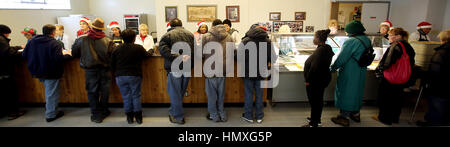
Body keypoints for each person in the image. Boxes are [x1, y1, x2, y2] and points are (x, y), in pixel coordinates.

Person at [22, 24, 71, 122]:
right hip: (50, 71)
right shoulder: (55, 43)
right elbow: (58, 58)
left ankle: (50, 107)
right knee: (51, 93)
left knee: (49, 91)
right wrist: (68, 56)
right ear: (53, 32)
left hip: (36, 70)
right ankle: (51, 114)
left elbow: (24, 55)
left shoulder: (32, 41)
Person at [72, 18, 115, 123]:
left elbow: (74, 53)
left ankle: (96, 115)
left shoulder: (81, 39)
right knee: (105, 91)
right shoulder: (108, 40)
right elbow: (113, 55)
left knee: (92, 92)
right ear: (101, 29)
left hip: (90, 70)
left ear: (92, 27)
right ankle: (104, 111)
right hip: (105, 69)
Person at [330, 20, 371, 127]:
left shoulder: (351, 41)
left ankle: (344, 117)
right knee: (357, 91)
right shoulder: (366, 39)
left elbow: (342, 58)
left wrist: (333, 68)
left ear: (352, 31)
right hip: (361, 70)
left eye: (347, 31)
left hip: (349, 71)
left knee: (346, 91)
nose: (346, 33)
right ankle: (356, 114)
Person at [373, 28, 416, 125]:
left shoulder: (395, 46)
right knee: (398, 98)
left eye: (390, 35)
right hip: (402, 77)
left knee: (386, 98)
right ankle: (395, 118)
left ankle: (384, 118)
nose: (388, 37)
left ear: (398, 36)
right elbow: (412, 62)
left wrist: (379, 71)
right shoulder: (408, 46)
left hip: (391, 77)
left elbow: (387, 63)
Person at [112, 29, 152, 124]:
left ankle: (129, 117)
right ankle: (138, 117)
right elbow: (147, 55)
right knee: (136, 95)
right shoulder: (138, 48)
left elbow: (112, 64)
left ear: (122, 38)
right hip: (134, 75)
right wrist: (151, 50)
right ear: (134, 38)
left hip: (120, 76)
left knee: (126, 96)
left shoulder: (117, 49)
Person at [158, 18, 194, 125]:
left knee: (175, 93)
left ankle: (178, 117)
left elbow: (163, 50)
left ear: (170, 25)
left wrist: (178, 57)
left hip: (174, 68)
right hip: (187, 68)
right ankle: (175, 111)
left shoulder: (167, 35)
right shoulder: (190, 34)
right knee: (180, 92)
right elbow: (195, 51)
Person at [201, 19, 235, 122]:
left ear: (212, 25)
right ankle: (222, 114)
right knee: (221, 94)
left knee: (211, 95)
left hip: (210, 68)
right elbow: (232, 52)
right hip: (223, 68)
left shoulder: (206, 36)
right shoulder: (229, 36)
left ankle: (214, 115)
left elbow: (201, 53)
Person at [240, 26, 273, 124]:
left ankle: (248, 116)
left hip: (247, 72)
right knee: (260, 95)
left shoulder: (245, 41)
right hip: (261, 72)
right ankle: (259, 116)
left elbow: (238, 57)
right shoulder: (268, 41)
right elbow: (273, 58)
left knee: (248, 94)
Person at [417, 30, 450, 126]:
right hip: (446, 84)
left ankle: (433, 123)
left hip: (439, 84)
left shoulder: (441, 52)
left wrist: (425, 78)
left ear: (443, 39)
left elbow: (435, 71)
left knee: (436, 105)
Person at [302, 29, 335, 127]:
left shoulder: (321, 50)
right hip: (321, 79)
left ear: (318, 38)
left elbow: (315, 67)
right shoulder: (324, 48)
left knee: (315, 101)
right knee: (317, 100)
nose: (313, 39)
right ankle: (316, 118)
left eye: (314, 37)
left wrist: (308, 80)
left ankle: (313, 123)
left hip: (316, 81)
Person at [0, 24, 26, 120]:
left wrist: (17, 47)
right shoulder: (1, 40)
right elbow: (8, 53)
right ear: (5, 33)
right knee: (10, 91)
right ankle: (14, 112)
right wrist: (19, 50)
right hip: (4, 71)